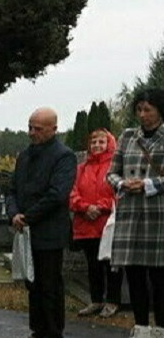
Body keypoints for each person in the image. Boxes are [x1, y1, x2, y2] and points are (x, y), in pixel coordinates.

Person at [7, 107, 77, 338]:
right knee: (33, 284)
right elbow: (12, 190)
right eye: (30, 127)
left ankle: (53, 335)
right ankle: (37, 330)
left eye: (37, 128)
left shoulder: (64, 156)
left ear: (53, 129)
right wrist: (13, 213)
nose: (32, 132)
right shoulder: (25, 156)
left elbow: (57, 195)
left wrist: (27, 217)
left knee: (50, 284)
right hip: (26, 231)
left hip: (49, 231)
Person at [108, 88, 164, 338]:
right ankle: (140, 331)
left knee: (159, 277)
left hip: (158, 214)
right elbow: (111, 173)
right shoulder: (128, 136)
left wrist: (148, 184)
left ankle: (161, 334)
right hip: (130, 214)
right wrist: (121, 183)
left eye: (148, 109)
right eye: (139, 109)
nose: (142, 115)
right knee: (134, 274)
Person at [69, 128, 122, 318]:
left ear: (109, 144)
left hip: (108, 224)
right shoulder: (81, 169)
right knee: (93, 265)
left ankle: (113, 301)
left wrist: (100, 206)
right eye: (93, 142)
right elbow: (72, 193)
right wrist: (85, 207)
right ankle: (96, 300)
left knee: (112, 265)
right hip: (86, 225)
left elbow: (119, 193)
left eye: (101, 142)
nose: (97, 146)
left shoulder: (115, 167)